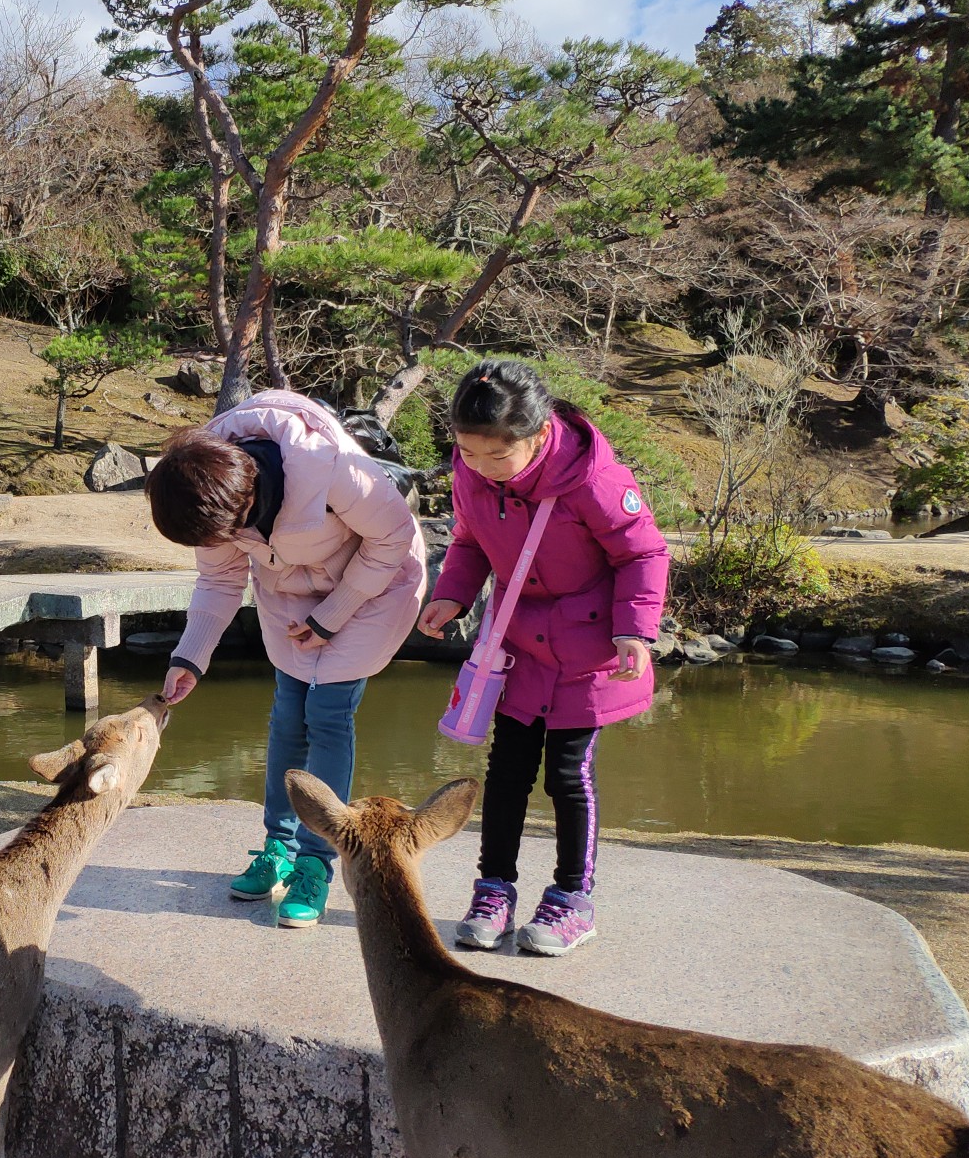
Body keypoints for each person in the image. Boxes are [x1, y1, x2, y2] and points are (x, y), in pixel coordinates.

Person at [418, 359, 669, 957]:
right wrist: (451, 595)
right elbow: (470, 540)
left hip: (589, 647)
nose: (480, 468)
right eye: (468, 453)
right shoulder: (471, 471)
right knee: (505, 772)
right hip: (516, 643)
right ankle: (493, 889)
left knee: (567, 776)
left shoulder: (593, 480)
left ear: (536, 435)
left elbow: (643, 554)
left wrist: (636, 629)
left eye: (495, 458)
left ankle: (571, 900)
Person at [147, 390, 426, 929]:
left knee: (327, 716)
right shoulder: (208, 487)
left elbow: (392, 538)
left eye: (226, 533)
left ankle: (316, 861)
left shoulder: (329, 466)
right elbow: (220, 578)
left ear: (245, 504)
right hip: (290, 592)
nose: (222, 543)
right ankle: (277, 846)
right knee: (286, 713)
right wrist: (190, 657)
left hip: (372, 586)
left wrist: (334, 614)